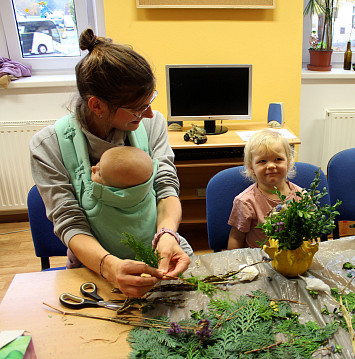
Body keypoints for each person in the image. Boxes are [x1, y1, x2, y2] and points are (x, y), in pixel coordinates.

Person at [30, 28, 192, 298]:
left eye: (150, 100)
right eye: (138, 108)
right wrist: (109, 267)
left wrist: (166, 234)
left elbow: (165, 187)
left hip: (153, 248)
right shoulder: (48, 146)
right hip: (94, 265)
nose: (150, 113)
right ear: (97, 106)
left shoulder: (152, 125)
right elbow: (70, 222)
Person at [227, 128, 302, 249]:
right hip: (259, 262)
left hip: (293, 259)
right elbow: (236, 237)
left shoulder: (301, 196)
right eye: (262, 161)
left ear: (288, 163)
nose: (271, 166)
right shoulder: (246, 202)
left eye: (278, 159)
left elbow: (309, 234)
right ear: (251, 168)